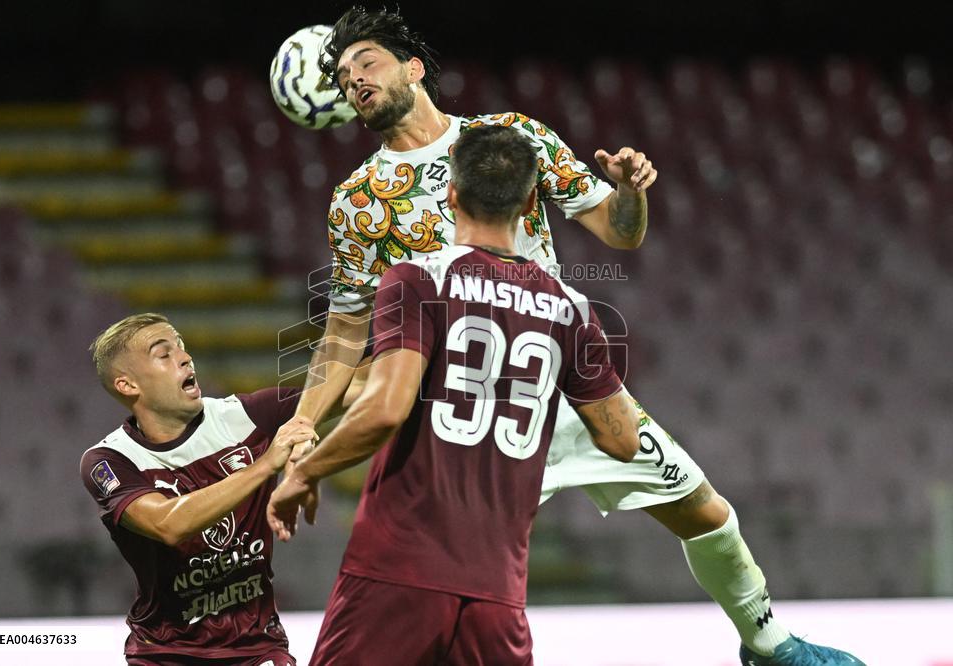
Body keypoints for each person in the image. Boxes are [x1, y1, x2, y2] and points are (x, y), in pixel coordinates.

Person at [274, 7, 865, 665]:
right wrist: (304, 421)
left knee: (704, 509)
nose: (353, 79)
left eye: (366, 62)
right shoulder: (358, 201)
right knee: (435, 579)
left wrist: (631, 192)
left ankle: (768, 641)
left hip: (553, 388)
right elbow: (345, 326)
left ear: (413, 67)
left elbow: (619, 230)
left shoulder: (511, 137)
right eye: (343, 75)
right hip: (457, 414)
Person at [270, 125, 641, 665]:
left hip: (399, 571)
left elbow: (385, 409)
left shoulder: (418, 277)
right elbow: (623, 440)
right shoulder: (571, 308)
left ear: (450, 195)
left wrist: (304, 473)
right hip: (498, 588)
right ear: (532, 200)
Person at [79, 313, 331, 665]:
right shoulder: (109, 460)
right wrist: (267, 464)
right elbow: (167, 525)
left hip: (256, 649)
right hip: (165, 654)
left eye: (181, 347)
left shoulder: (245, 416)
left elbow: (359, 387)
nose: (184, 357)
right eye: (163, 354)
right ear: (128, 385)